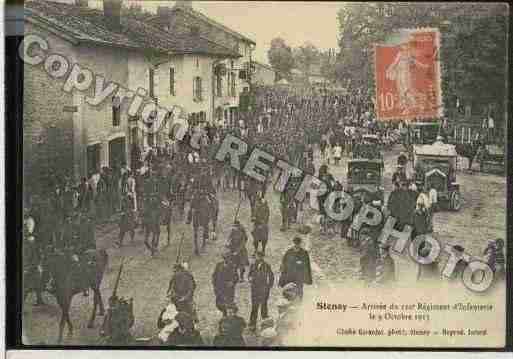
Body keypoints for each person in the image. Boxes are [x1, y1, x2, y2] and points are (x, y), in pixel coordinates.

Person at [248, 251, 274, 332]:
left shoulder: (266, 266)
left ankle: (265, 325)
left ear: (263, 257)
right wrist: (250, 279)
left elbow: (271, 277)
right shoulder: (252, 265)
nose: (258, 258)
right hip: (254, 289)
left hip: (263, 289)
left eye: (260, 256)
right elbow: (249, 275)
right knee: (254, 307)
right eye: (257, 256)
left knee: (263, 307)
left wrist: (268, 286)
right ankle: (252, 324)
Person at [212, 252, 238, 316]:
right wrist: (214, 284)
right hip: (220, 287)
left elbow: (236, 277)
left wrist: (232, 282)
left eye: (228, 258)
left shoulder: (232, 266)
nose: (226, 260)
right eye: (225, 258)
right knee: (219, 303)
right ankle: (225, 312)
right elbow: (214, 275)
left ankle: (226, 315)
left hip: (229, 288)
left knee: (228, 303)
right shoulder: (219, 265)